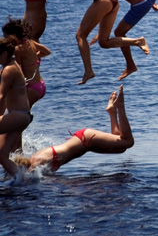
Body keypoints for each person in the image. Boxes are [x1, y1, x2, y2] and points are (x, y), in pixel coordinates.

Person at [19, 85, 134, 173]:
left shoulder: (37, 163)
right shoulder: (34, 160)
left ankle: (120, 106)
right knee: (120, 147)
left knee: (128, 142)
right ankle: (112, 112)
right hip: (84, 140)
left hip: (86, 140)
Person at [0, 37, 32, 179]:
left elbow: (1, 96)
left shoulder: (9, 69)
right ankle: (23, 178)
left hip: (18, 116)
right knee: (1, 155)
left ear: (4, 54)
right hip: (21, 116)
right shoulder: (11, 65)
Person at [2, 18, 50, 109]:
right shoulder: (31, 43)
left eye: (6, 37)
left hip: (31, 87)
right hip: (40, 84)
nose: (5, 39)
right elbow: (47, 51)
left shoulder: (17, 49)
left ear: (13, 36)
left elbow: (18, 69)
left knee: (20, 111)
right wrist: (35, 57)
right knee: (24, 112)